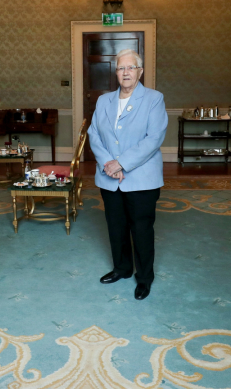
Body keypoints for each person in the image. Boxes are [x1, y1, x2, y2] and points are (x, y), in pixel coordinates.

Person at [87, 49, 168, 300]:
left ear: (140, 71)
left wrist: (120, 163)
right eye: (121, 68)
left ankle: (144, 278)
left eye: (131, 68)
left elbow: (153, 139)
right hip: (109, 178)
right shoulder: (104, 100)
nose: (126, 73)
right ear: (116, 73)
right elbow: (94, 135)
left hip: (142, 179)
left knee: (141, 230)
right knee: (116, 227)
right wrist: (108, 163)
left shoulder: (154, 99)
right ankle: (122, 269)